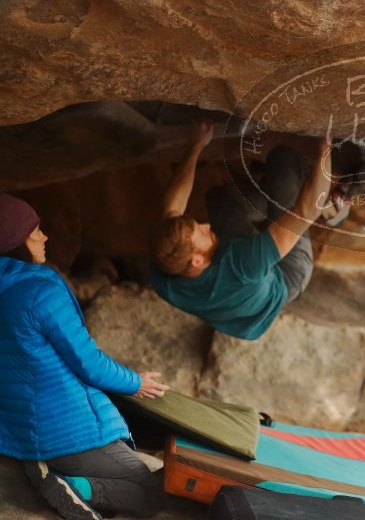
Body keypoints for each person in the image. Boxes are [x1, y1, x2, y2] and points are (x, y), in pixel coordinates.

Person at [0, 193, 170, 520]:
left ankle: (45, 470)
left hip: (21, 433)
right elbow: (88, 362)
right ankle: (75, 487)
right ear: (15, 244)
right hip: (68, 432)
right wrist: (136, 382)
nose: (44, 236)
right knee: (154, 492)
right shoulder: (40, 291)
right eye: (34, 232)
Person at [149, 122, 337, 340]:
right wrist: (325, 147)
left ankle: (278, 197)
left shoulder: (163, 270)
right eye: (202, 233)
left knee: (218, 200)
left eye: (197, 224)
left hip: (246, 290)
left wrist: (196, 145)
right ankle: (331, 206)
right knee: (282, 160)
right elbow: (307, 211)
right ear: (197, 261)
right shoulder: (240, 264)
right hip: (289, 273)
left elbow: (171, 210)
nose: (207, 225)